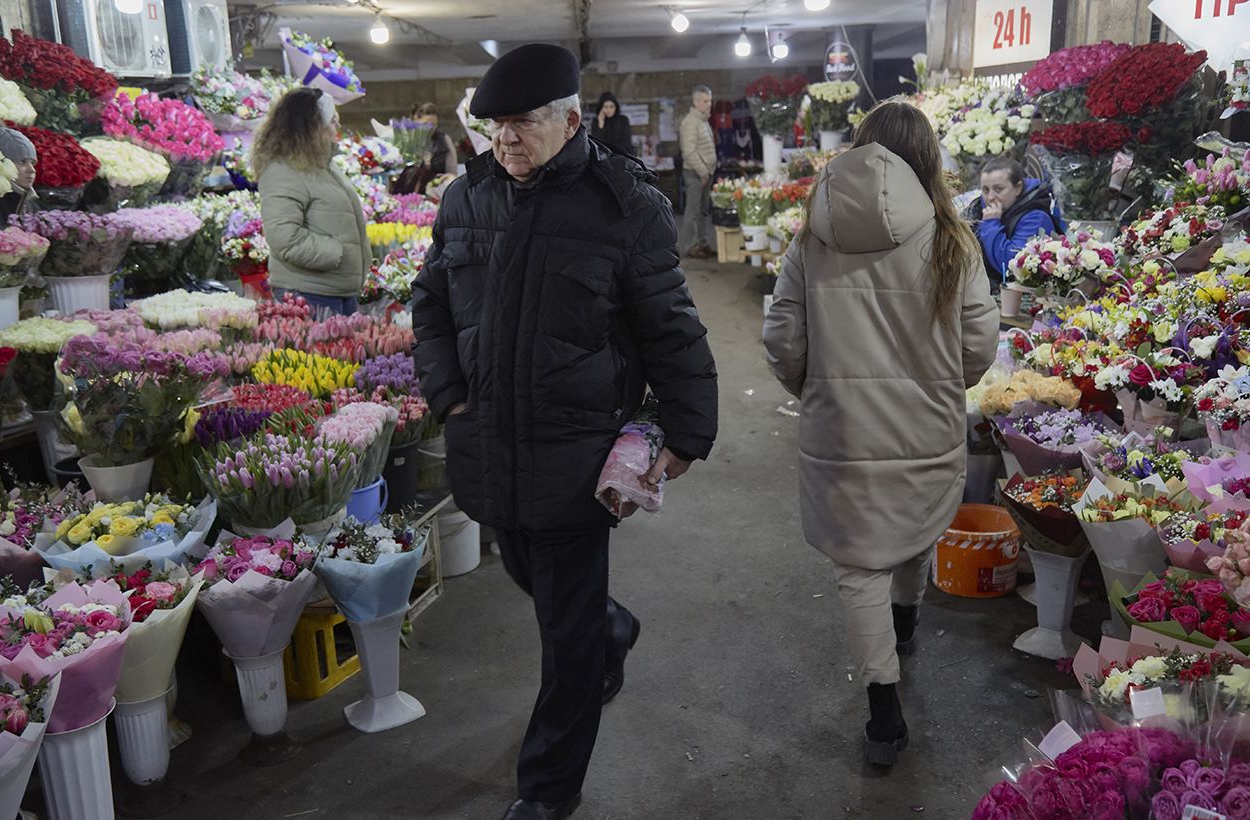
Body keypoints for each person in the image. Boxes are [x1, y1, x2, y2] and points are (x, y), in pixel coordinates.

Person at [412, 43, 718, 820]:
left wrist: (687, 432)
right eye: (496, 125)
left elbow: (670, 328)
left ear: (572, 121)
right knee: (538, 581)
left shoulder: (624, 206)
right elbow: (430, 306)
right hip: (490, 445)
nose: (506, 139)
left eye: (523, 122)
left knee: (564, 638)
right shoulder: (466, 199)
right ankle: (609, 627)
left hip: (575, 454)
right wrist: (449, 396)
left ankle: (547, 791)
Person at [762, 101, 998, 768]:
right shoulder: (953, 241)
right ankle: (907, 620)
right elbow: (979, 344)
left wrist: (814, 389)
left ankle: (884, 715)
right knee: (915, 527)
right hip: (927, 427)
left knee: (857, 565)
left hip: (840, 430)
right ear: (927, 161)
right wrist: (943, 386)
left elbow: (782, 339)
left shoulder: (811, 240)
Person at [253, 86, 370, 316]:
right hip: (308, 293)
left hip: (338, 289)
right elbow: (284, 238)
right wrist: (336, 253)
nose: (337, 127)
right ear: (312, 127)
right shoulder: (283, 169)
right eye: (332, 121)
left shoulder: (323, 164)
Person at [965, 156, 1065, 289]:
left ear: (1018, 188)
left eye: (998, 189)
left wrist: (991, 224)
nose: (990, 197)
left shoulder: (1036, 218)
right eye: (985, 190)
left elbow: (1012, 267)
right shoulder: (978, 208)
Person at [678, 85, 716, 259]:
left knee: (703, 211)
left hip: (705, 173)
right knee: (693, 211)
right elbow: (689, 152)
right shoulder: (690, 123)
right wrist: (703, 172)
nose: (709, 104)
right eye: (706, 101)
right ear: (696, 102)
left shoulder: (702, 120)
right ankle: (691, 246)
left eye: (710, 100)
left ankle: (701, 243)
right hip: (696, 174)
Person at [396, 101, 459, 194]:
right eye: (426, 124)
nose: (430, 128)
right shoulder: (406, 141)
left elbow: (452, 171)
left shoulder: (444, 139)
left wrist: (449, 176)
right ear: (416, 121)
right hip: (409, 190)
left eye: (434, 124)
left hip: (436, 187)